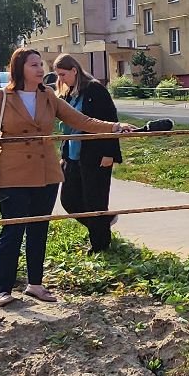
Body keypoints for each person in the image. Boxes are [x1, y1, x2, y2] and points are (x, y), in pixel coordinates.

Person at [0, 46, 134, 305]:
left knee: (39, 228)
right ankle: (2, 288)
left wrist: (115, 127)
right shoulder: (0, 97)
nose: (41, 69)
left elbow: (83, 121)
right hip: (13, 175)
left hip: (46, 173)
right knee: (13, 230)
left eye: (41, 64)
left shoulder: (48, 95)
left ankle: (35, 284)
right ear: (20, 69)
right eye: (34, 65)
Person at [52, 53, 121, 254]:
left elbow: (109, 120)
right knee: (69, 200)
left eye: (63, 74)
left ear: (74, 70)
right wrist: (63, 154)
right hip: (72, 157)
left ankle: (100, 246)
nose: (60, 79)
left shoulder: (95, 90)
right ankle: (103, 222)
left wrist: (110, 153)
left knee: (95, 201)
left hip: (96, 155)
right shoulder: (66, 93)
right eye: (58, 75)